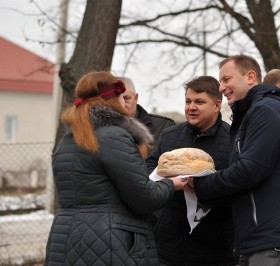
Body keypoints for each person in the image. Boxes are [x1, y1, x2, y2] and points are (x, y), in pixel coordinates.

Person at [45, 71, 188, 266]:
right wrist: (170, 185)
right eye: (122, 96)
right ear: (113, 98)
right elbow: (143, 198)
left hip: (65, 237)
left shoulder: (68, 139)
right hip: (110, 241)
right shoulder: (113, 136)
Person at [190, 55, 280, 266]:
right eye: (220, 81)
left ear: (251, 77)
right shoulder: (253, 113)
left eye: (227, 79)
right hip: (259, 236)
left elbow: (250, 170)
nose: (222, 87)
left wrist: (199, 184)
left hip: (272, 237)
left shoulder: (266, 111)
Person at [145, 75, 237, 266]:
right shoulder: (170, 135)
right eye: (188, 101)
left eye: (199, 102)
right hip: (169, 245)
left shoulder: (232, 140)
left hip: (215, 246)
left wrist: (200, 187)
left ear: (217, 105)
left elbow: (237, 186)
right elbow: (149, 169)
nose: (191, 107)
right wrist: (170, 183)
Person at [119, 76, 175, 145]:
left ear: (136, 98)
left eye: (126, 99)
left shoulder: (164, 127)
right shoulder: (103, 130)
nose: (122, 104)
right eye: (117, 100)